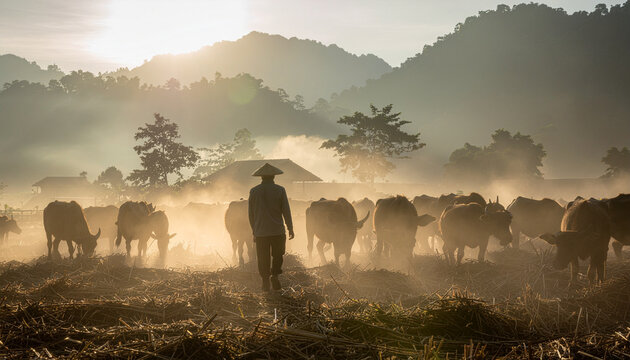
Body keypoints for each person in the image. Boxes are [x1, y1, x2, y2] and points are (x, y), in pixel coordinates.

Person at [248, 163, 294, 291]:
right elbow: (286, 211)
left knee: (263, 257)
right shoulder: (280, 190)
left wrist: (254, 230)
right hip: (277, 231)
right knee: (278, 255)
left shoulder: (254, 191)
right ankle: (274, 275)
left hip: (261, 232)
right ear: (274, 176)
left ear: (261, 177)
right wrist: (290, 228)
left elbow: (251, 214)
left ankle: (265, 281)